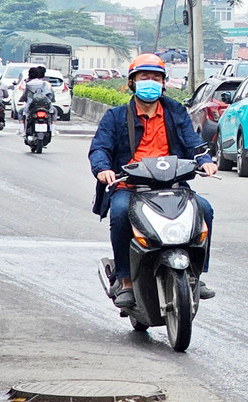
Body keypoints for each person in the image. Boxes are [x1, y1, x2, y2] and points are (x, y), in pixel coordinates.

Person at [88, 53, 219, 309]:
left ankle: (197, 272)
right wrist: (103, 169)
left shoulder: (175, 111)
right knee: (120, 213)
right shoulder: (115, 117)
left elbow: (193, 142)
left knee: (204, 210)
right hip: (130, 186)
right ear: (132, 83)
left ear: (163, 82)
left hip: (171, 185)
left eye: (156, 78)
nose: (151, 82)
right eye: (144, 77)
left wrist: (204, 159)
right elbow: (100, 149)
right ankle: (125, 279)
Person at [19, 65, 55, 135]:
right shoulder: (44, 84)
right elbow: (50, 94)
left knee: (22, 112)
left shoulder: (28, 84)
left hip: (32, 105)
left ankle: (22, 130)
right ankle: (52, 130)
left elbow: (25, 95)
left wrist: (22, 99)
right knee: (53, 112)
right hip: (45, 105)